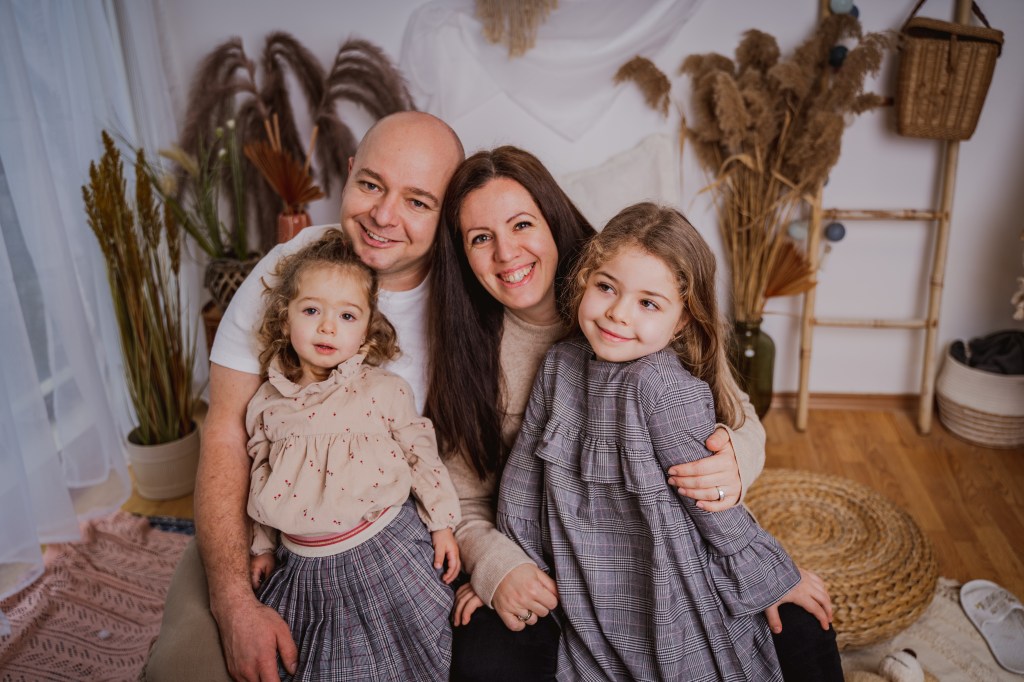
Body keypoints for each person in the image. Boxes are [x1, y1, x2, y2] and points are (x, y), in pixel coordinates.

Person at [142, 116, 754, 681]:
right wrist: (234, 601)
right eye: (371, 185)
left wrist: (733, 464)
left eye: (417, 201)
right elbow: (227, 433)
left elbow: (725, 410)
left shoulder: (619, 302)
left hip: (459, 539)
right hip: (284, 525)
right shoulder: (301, 276)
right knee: (185, 670)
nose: (384, 216)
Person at [423, 147, 828, 681]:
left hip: (669, 552)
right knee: (483, 654)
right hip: (558, 565)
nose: (506, 252)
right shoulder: (523, 358)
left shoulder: (643, 294)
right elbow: (505, 488)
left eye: (521, 224)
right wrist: (501, 564)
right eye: (480, 238)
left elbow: (733, 425)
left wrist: (733, 465)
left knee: (795, 628)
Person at [244, 228, 461, 680]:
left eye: (346, 315)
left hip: (386, 548)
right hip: (305, 566)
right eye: (311, 311)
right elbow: (262, 478)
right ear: (285, 319)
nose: (328, 327)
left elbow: (420, 453)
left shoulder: (382, 390)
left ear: (366, 330)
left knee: (414, 657)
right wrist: (263, 547)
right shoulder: (268, 404)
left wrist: (442, 522)